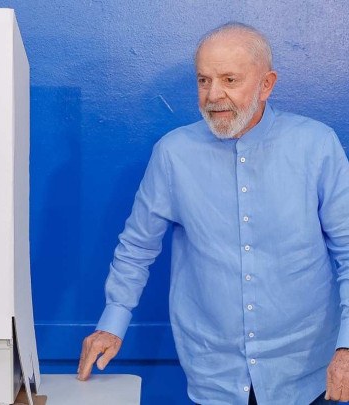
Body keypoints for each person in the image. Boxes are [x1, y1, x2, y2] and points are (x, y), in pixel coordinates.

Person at [77, 22, 349, 405]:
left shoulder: (316, 146)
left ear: (266, 84)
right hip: (213, 373)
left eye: (229, 79)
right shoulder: (173, 153)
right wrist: (113, 322)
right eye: (203, 80)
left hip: (306, 373)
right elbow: (137, 246)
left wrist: (347, 348)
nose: (213, 95)